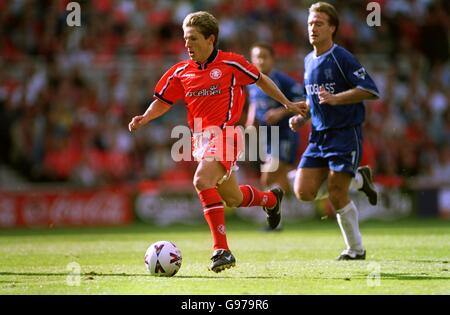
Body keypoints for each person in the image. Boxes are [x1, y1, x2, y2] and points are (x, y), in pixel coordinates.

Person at [128, 11, 308, 272]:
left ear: (211, 39)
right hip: (200, 140)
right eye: (185, 39)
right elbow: (163, 101)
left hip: (227, 135)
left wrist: (287, 104)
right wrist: (144, 118)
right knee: (233, 198)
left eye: (193, 39)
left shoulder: (231, 63)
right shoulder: (180, 71)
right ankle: (271, 200)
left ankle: (221, 250)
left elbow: (261, 80)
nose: (187, 45)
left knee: (201, 181)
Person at [289, 2, 379, 260]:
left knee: (337, 193)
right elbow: (314, 100)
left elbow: (370, 90)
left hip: (344, 133)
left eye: (318, 23)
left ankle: (355, 250)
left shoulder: (342, 57)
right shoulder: (308, 60)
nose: (313, 28)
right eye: (310, 24)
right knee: (303, 192)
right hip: (318, 136)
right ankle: (359, 178)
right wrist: (302, 117)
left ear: (332, 28)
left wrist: (337, 98)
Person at [246, 42, 304, 194]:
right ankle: (290, 209)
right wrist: (251, 122)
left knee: (268, 178)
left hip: (284, 134)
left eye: (264, 57)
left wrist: (280, 112)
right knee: (280, 179)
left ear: (273, 59)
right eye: (257, 57)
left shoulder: (284, 81)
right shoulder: (251, 83)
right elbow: (254, 103)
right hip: (266, 136)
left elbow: (304, 102)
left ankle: (273, 210)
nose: (260, 61)